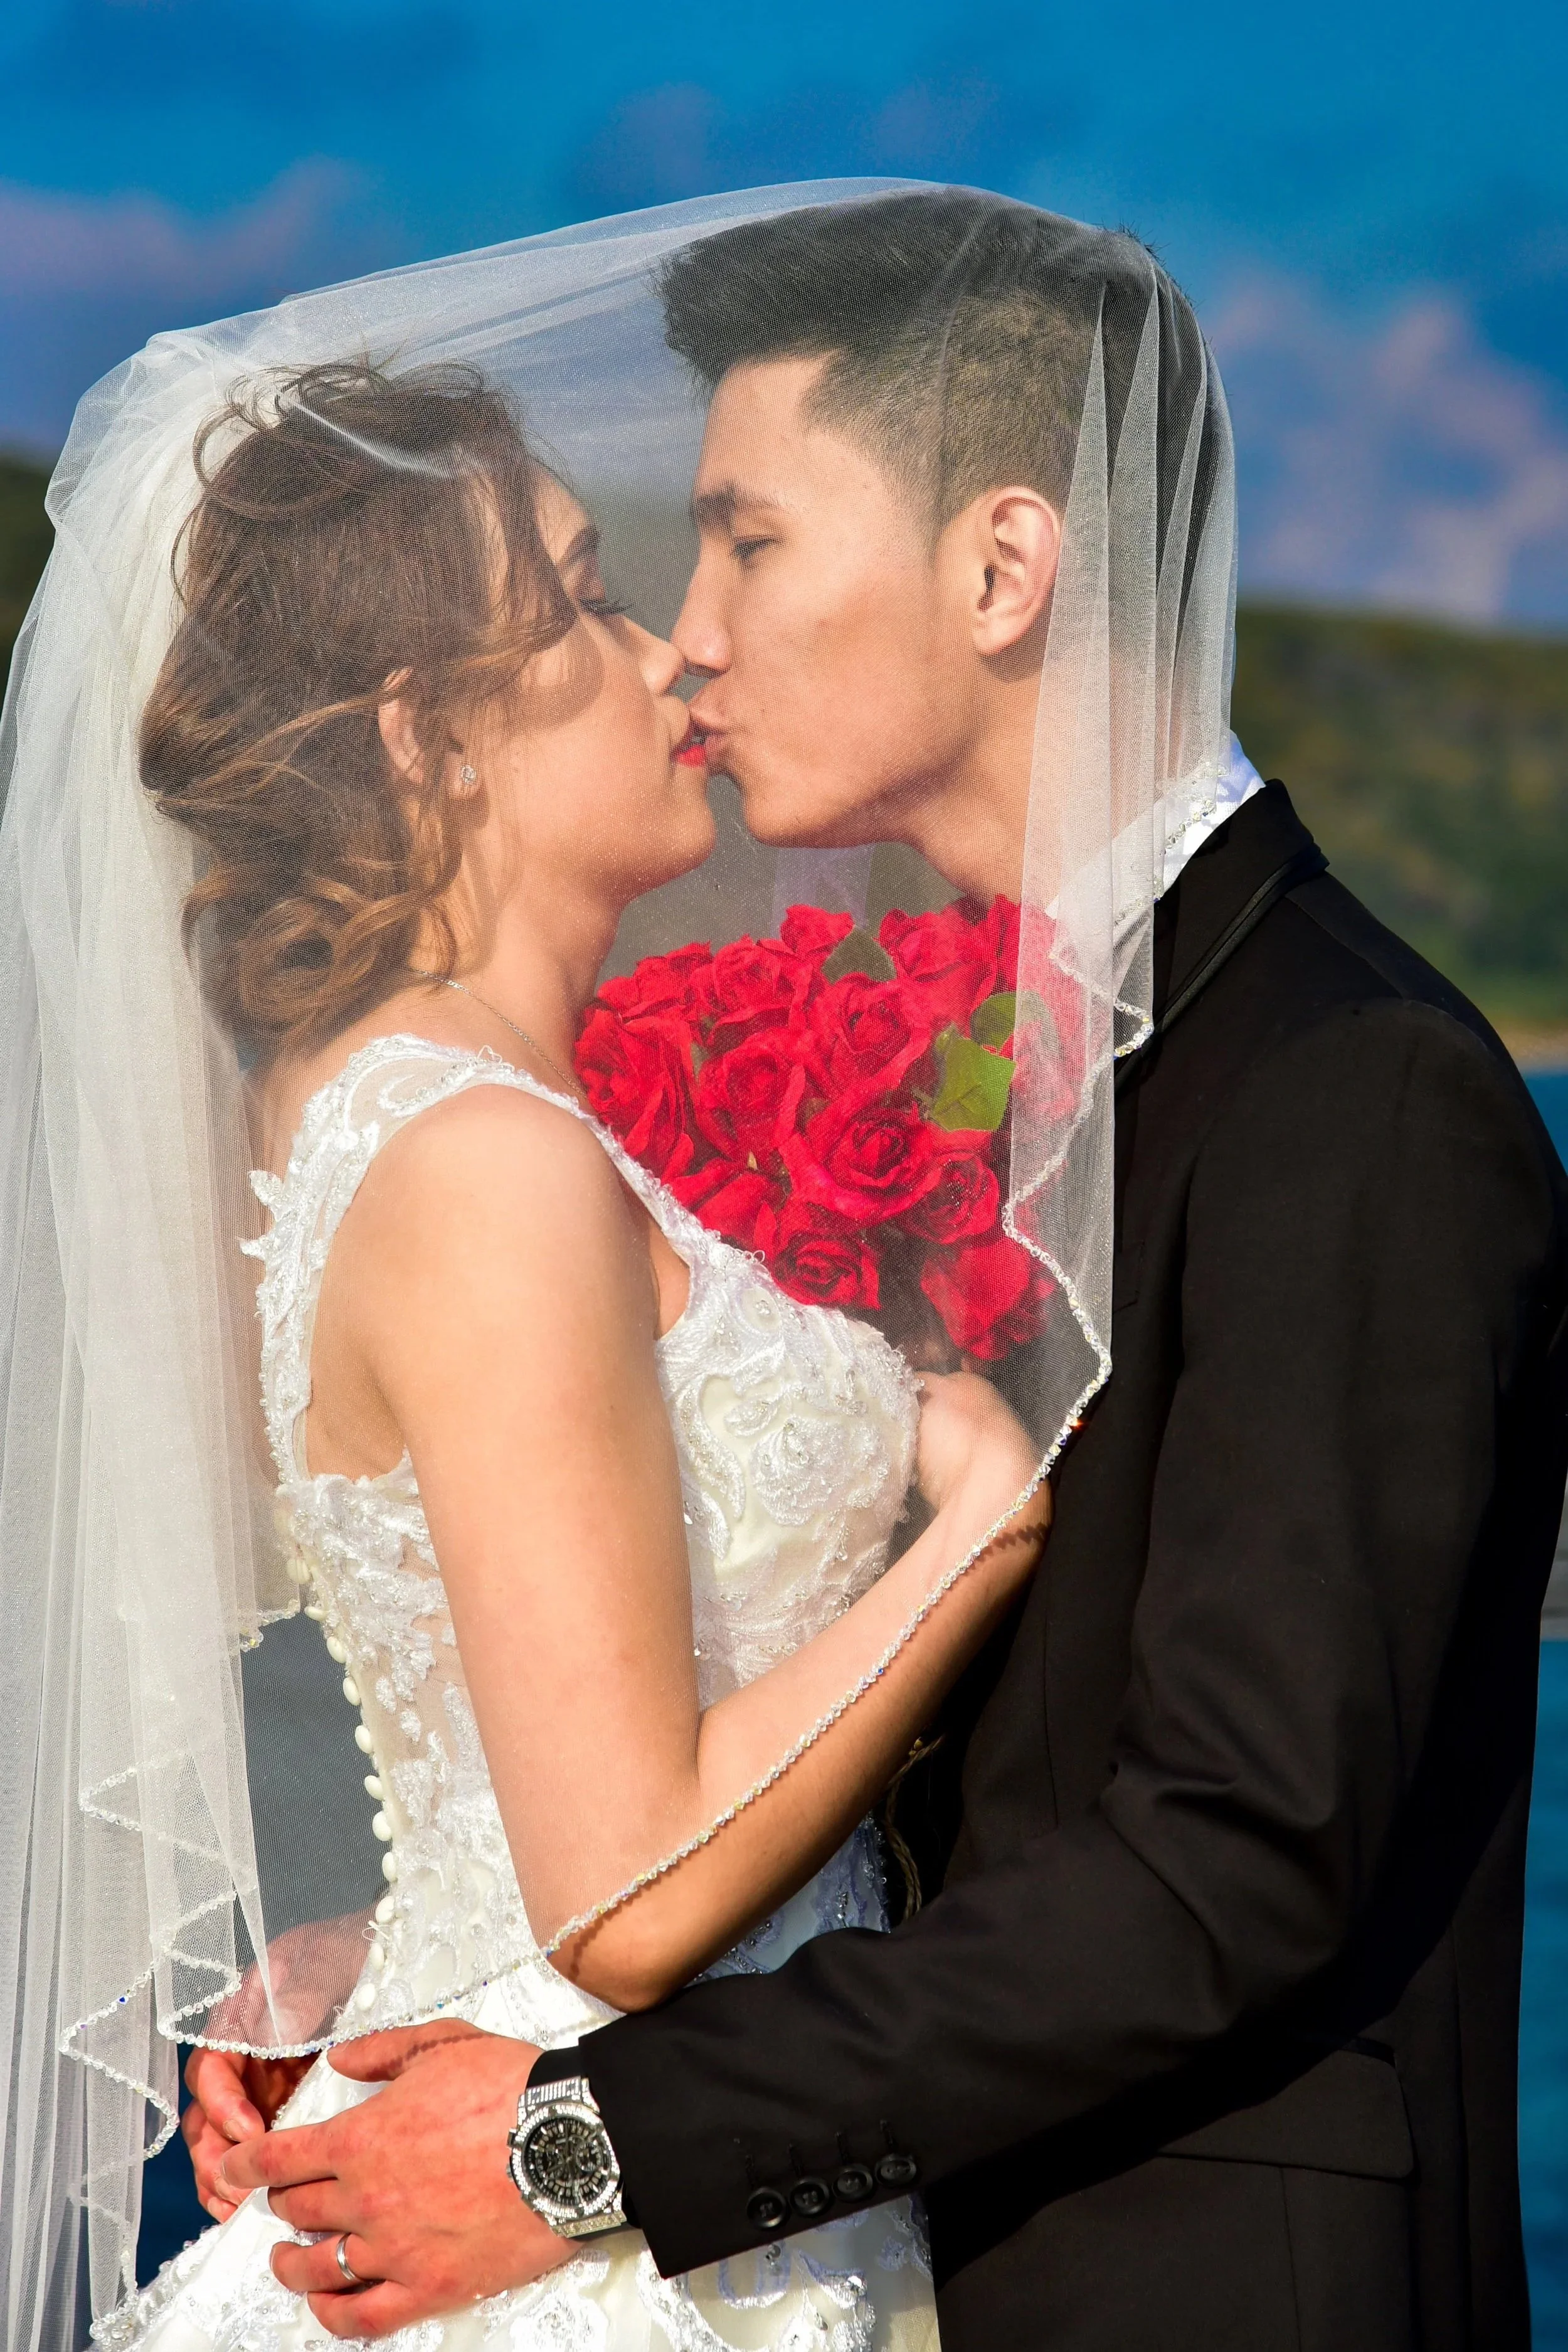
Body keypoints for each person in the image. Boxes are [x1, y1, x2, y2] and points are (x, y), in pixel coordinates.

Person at [204, 193, 1568, 2351]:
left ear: (1003, 570)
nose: (690, 630)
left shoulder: (1348, 1085)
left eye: (746, 537)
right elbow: (383, 1513)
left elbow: (1235, 1855)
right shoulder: (935, 1075)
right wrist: (346, 1923)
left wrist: (584, 2143)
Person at [1, 336, 1066, 2352]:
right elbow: (626, 1892)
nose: (671, 647)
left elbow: (401, 1680)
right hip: (585, 2214)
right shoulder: (487, 1164)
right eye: (579, 599)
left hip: (510, 2089)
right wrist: (986, 1519)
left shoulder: (347, 1114)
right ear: (426, 741)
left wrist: (332, 1934)